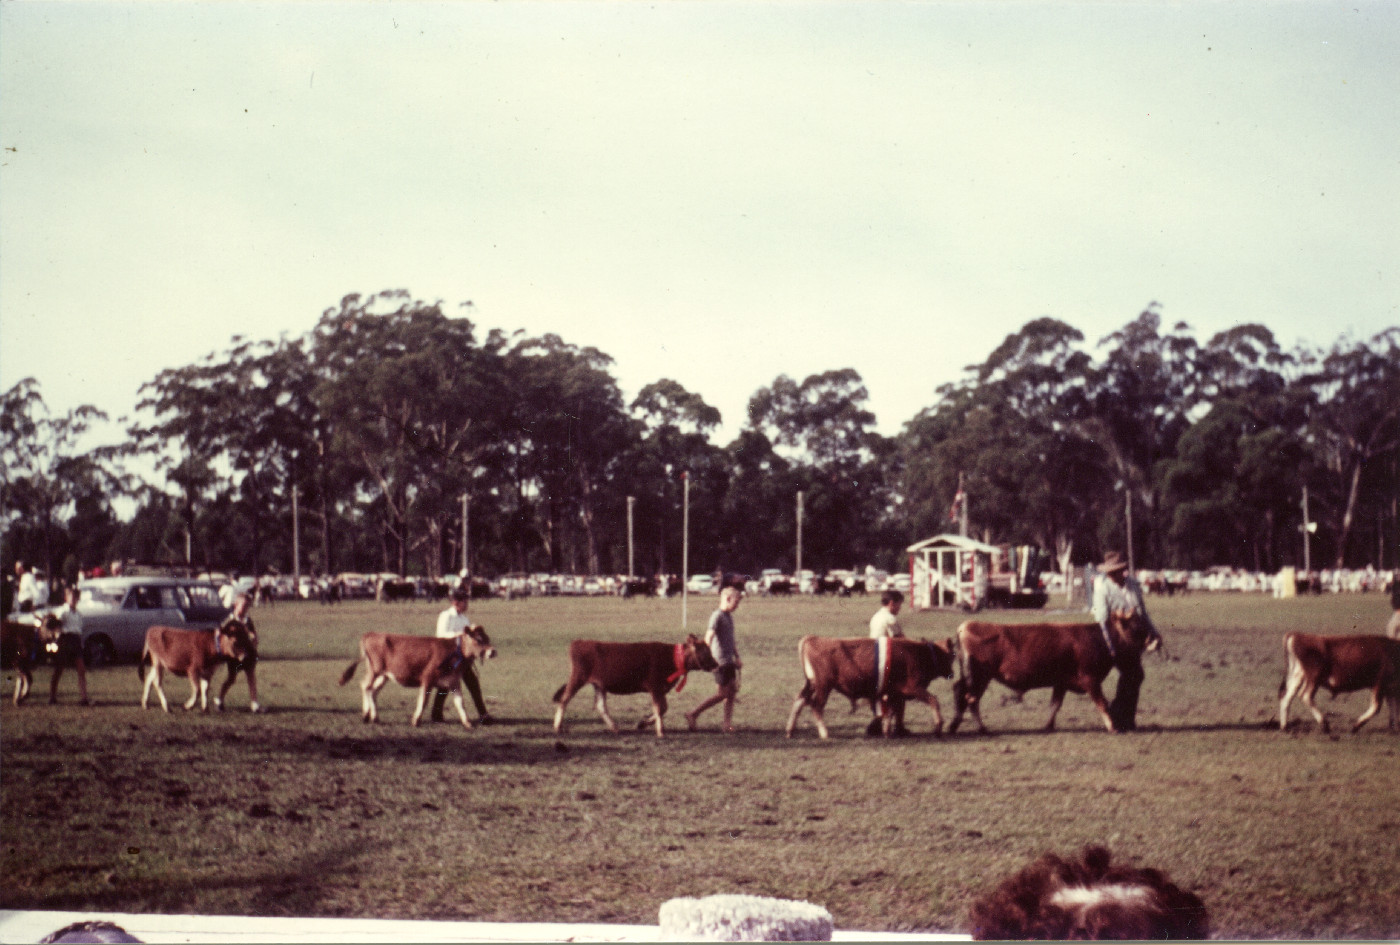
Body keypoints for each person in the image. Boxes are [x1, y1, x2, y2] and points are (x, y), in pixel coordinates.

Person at [1091, 551, 1161, 732]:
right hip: (1114, 641)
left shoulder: (1133, 585)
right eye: (1111, 571)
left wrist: (1154, 633)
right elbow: (1101, 620)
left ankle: (1123, 717)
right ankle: (1121, 716)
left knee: (1134, 676)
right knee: (1134, 674)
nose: (1113, 574)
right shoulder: (1103, 589)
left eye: (1117, 570)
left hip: (1134, 639)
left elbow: (1142, 613)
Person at [430, 581, 491, 723]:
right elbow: (441, 635)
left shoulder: (464, 618)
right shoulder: (446, 616)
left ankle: (483, 714)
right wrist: (459, 635)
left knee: (473, 684)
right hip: (448, 658)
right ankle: (436, 714)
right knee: (444, 687)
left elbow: (468, 638)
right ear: (456, 602)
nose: (467, 604)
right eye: (465, 601)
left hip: (463, 659)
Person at [686, 585, 743, 733]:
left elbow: (731, 640)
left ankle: (726, 724)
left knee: (731, 693)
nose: (737, 606)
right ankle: (693, 714)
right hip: (719, 662)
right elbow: (708, 638)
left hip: (729, 661)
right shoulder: (717, 616)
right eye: (736, 602)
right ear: (728, 599)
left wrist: (737, 657)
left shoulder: (728, 617)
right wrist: (709, 659)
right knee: (722, 694)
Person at [214, 592, 261, 712]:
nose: (245, 609)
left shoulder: (247, 620)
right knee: (231, 679)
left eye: (247, 606)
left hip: (248, 652)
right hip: (235, 656)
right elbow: (219, 631)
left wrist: (254, 638)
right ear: (236, 605)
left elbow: (253, 634)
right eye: (244, 606)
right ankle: (219, 698)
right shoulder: (230, 619)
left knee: (251, 677)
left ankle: (254, 703)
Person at [49, 585, 91, 705]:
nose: (73, 599)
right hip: (65, 640)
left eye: (75, 597)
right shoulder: (63, 611)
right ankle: (52, 696)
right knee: (59, 669)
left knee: (81, 669)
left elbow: (79, 630)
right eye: (71, 597)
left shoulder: (78, 614)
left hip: (75, 641)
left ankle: (84, 698)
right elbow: (55, 625)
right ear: (66, 598)